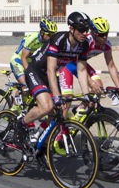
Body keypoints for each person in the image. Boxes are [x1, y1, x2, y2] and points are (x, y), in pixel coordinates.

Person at [13, 11, 94, 144]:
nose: (86, 33)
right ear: (71, 29)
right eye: (82, 30)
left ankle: (40, 137)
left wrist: (86, 94)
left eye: (87, 30)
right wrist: (56, 96)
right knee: (47, 106)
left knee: (60, 110)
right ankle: (21, 124)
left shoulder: (83, 44)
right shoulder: (59, 39)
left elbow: (82, 69)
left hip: (48, 74)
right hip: (36, 71)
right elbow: (51, 69)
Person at [61, 16, 119, 104]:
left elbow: (111, 66)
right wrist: (91, 83)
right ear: (94, 33)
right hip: (67, 65)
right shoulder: (86, 42)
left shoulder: (106, 45)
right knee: (67, 99)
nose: (104, 37)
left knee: (98, 87)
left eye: (106, 34)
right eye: (101, 35)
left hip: (81, 64)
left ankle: (81, 111)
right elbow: (77, 64)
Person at [9, 18, 58, 84]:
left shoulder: (48, 42)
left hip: (30, 61)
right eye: (49, 34)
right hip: (18, 60)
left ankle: (19, 93)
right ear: (42, 33)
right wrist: (30, 73)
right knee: (26, 85)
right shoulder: (32, 39)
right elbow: (23, 58)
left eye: (53, 35)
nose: (51, 37)